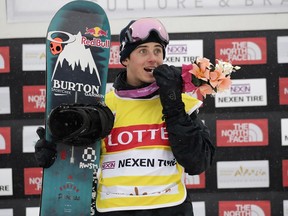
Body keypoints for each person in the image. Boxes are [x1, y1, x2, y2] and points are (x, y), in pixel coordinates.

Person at [35, 17, 215, 216]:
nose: (152, 58)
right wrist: (54, 150)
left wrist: (172, 103)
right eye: (143, 51)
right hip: (115, 210)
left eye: (157, 50)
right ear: (126, 59)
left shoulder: (181, 103)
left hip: (169, 209)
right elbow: (78, 162)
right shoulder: (103, 107)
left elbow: (197, 162)